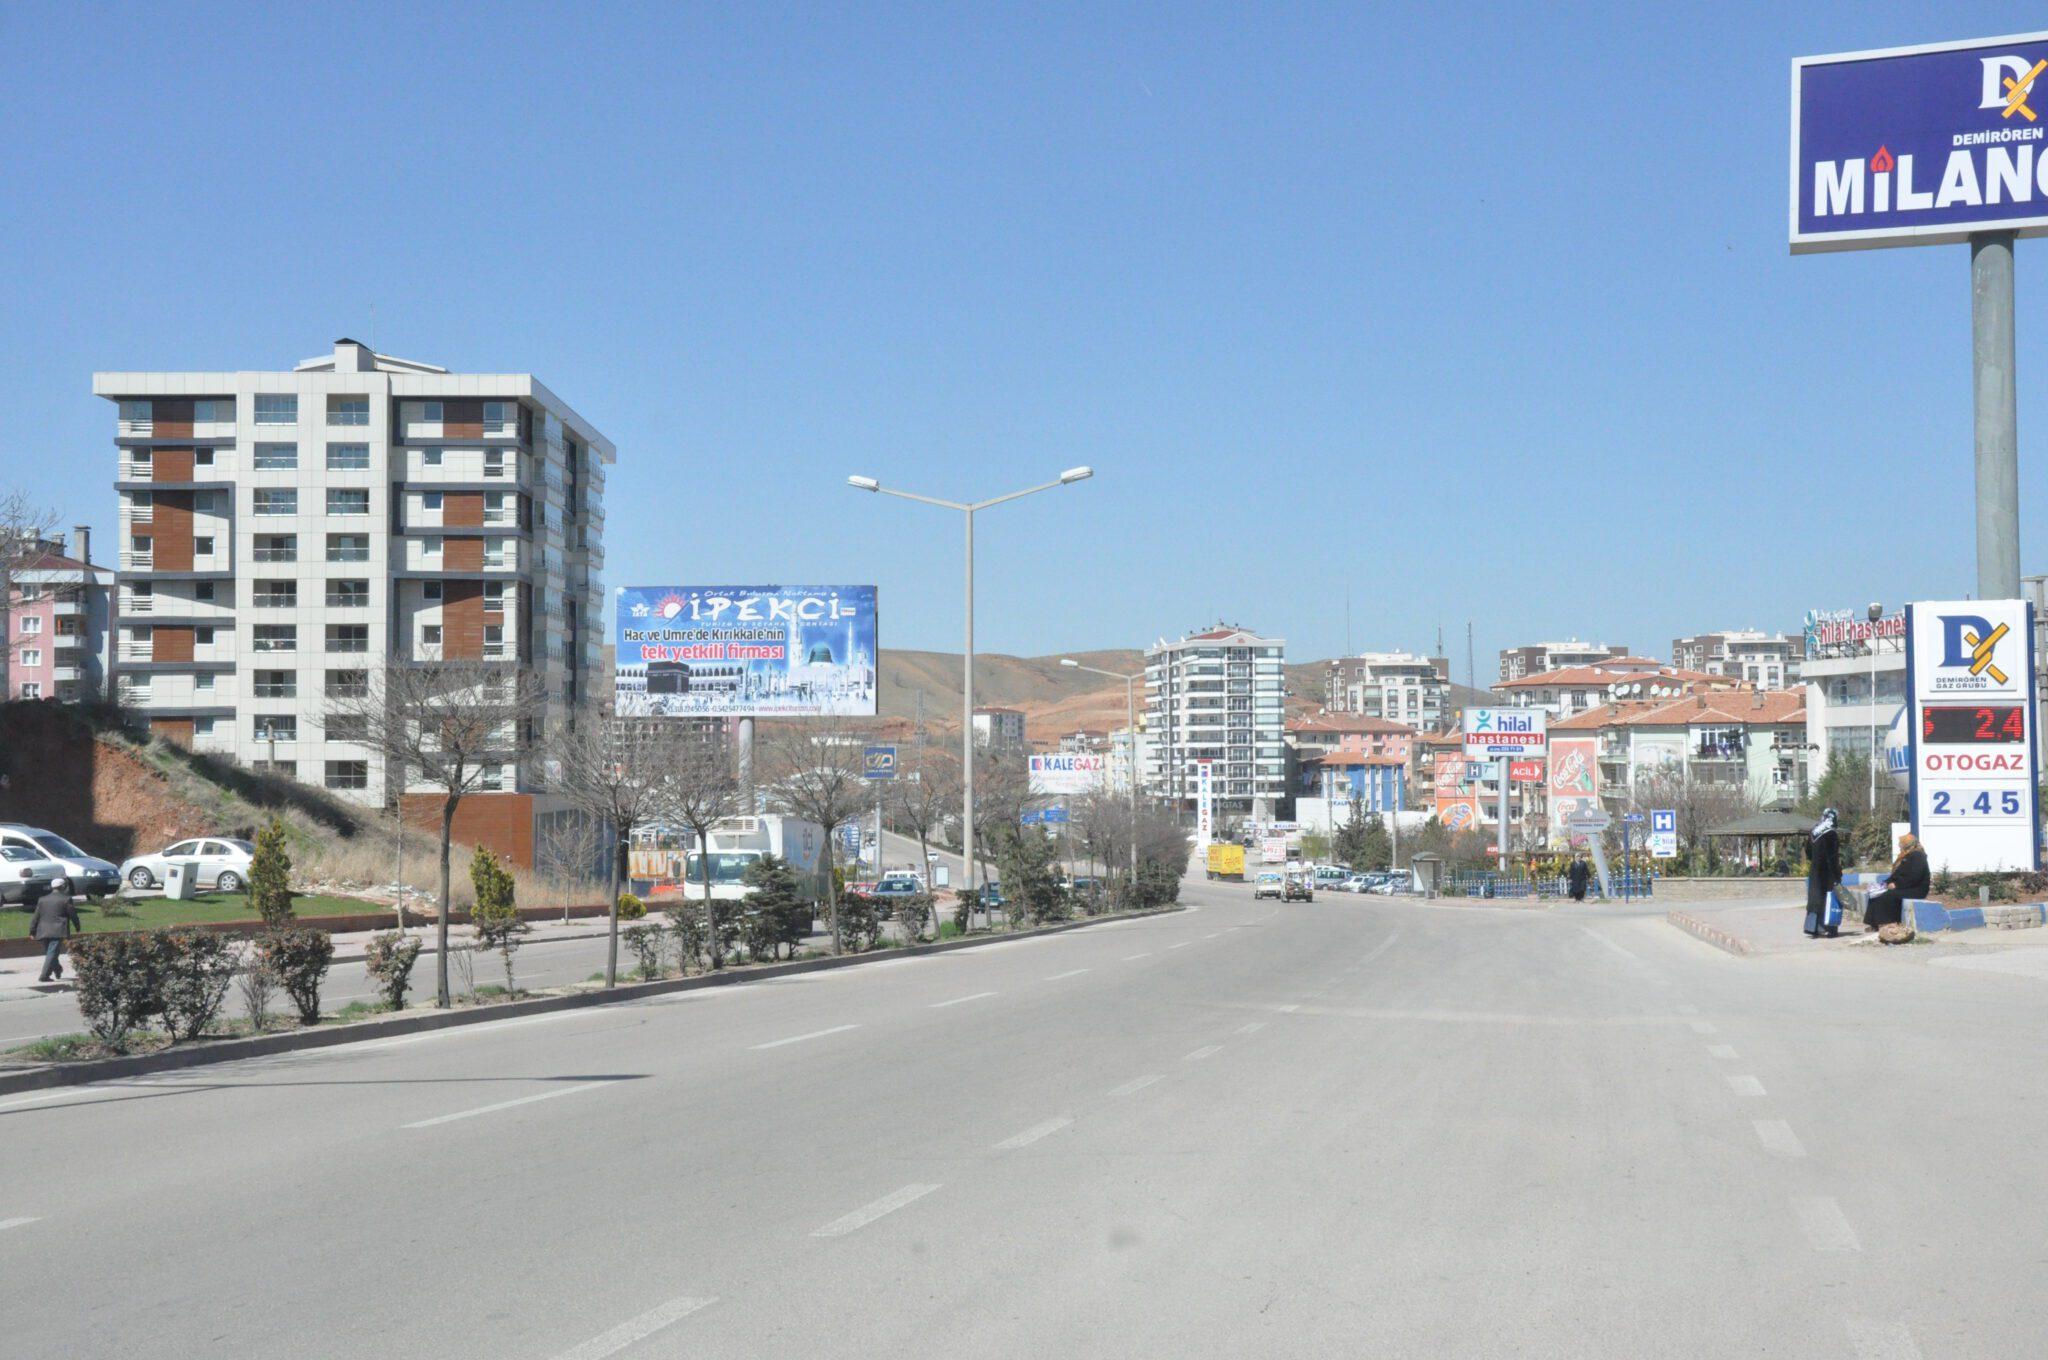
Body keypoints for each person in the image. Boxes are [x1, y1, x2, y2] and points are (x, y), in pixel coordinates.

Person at [1863, 833, 1929, 931]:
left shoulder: (1918, 856)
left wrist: (1897, 885)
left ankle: (1887, 923)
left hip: (1916, 889)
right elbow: (1896, 875)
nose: (1899, 844)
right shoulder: (1905, 856)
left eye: (1901, 843)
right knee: (1875, 894)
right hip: (1906, 887)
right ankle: (1874, 924)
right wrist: (1884, 884)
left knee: (1888, 895)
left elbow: (1915, 877)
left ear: (1907, 844)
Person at [31, 876, 82, 982]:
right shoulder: (66, 899)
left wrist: (32, 930)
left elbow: (36, 916)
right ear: (63, 886)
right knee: (52, 953)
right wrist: (77, 926)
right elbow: (72, 914)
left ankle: (57, 969)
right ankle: (44, 976)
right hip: (58, 930)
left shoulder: (42, 899)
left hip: (43, 930)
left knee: (51, 953)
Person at [1804, 808, 1843, 938]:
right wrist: (1837, 874)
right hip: (1827, 873)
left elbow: (1808, 852)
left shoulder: (1814, 832)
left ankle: (1812, 927)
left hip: (1815, 870)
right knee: (1828, 899)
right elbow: (1832, 857)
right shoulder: (1831, 833)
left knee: (1815, 899)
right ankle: (1828, 928)